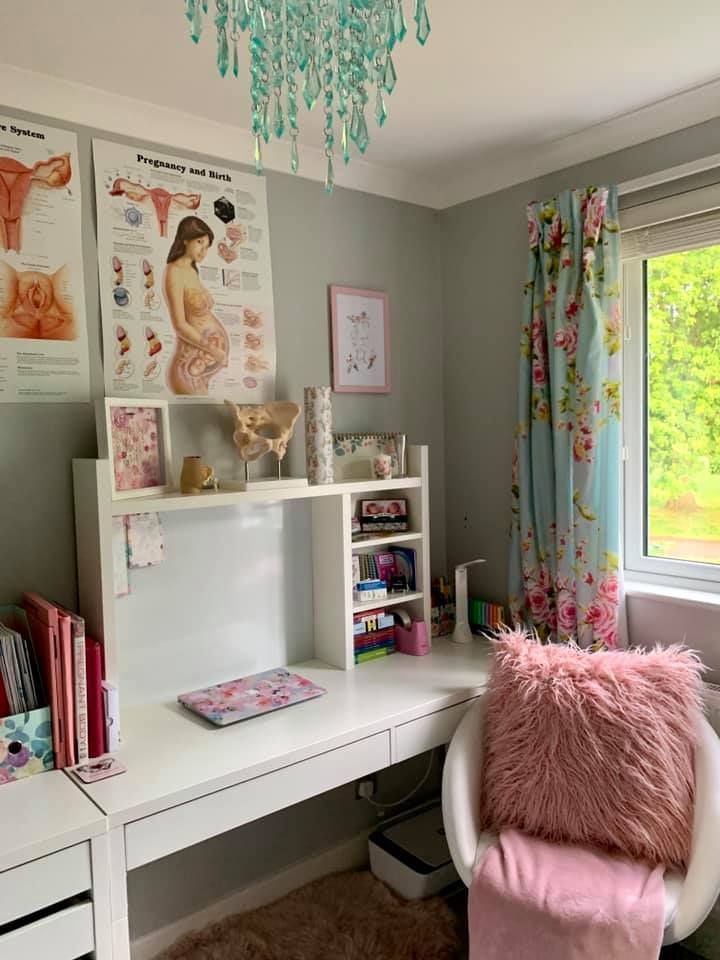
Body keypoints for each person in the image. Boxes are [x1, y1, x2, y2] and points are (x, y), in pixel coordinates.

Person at [164, 216, 229, 395]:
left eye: (207, 246)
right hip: (188, 367)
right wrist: (213, 350)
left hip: (202, 363)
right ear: (185, 239)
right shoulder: (174, 273)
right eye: (200, 242)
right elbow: (179, 325)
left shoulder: (191, 270)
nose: (203, 250)